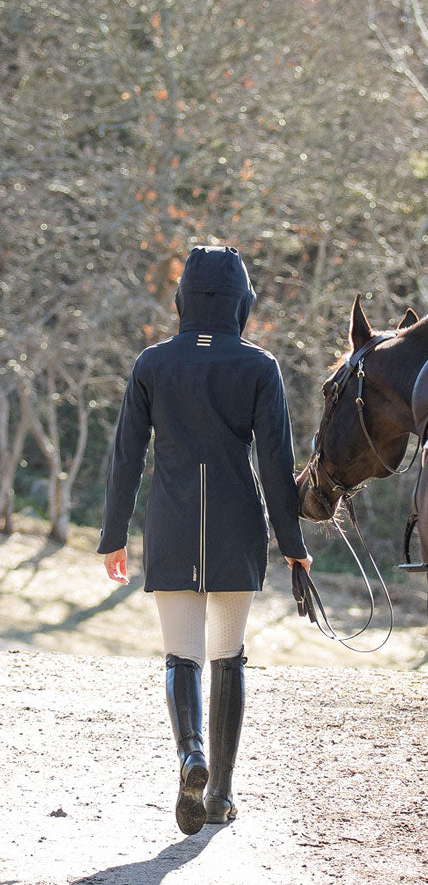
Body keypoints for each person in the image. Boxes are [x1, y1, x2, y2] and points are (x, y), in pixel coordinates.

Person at [98, 245, 311, 835]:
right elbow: (275, 463)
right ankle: (219, 793)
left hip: (169, 523)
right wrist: (292, 540)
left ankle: (190, 754)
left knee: (180, 654)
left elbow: (125, 458)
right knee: (229, 655)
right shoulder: (259, 367)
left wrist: (113, 536)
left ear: (182, 299)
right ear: (242, 300)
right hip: (236, 526)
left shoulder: (151, 364)